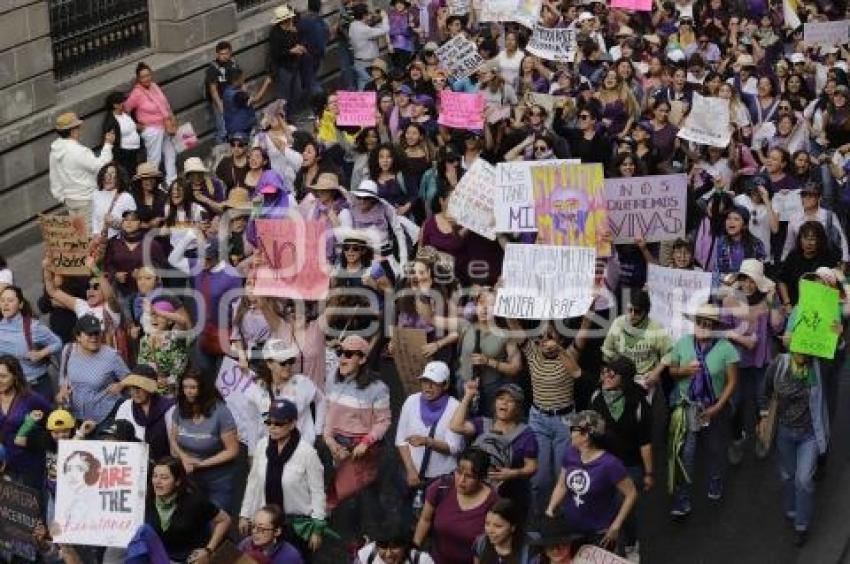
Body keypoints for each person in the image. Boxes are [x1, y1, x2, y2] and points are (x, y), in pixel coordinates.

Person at [667, 303, 739, 518]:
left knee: (714, 449)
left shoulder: (726, 348)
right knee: (686, 453)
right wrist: (683, 370)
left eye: (709, 324)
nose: (703, 327)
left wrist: (717, 407)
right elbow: (671, 371)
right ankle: (683, 499)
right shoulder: (682, 343)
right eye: (700, 322)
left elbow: (732, 382)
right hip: (688, 406)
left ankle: (716, 478)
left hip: (713, 407)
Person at [240, 399, 327, 559]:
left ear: (292, 424)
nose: (272, 427)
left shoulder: (307, 453)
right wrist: (245, 514)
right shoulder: (262, 446)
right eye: (269, 422)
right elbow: (252, 483)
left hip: (295, 526)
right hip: (265, 525)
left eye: (278, 423)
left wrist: (317, 529)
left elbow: (318, 493)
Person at [758, 352, 829, 546]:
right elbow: (765, 392)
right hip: (785, 432)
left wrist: (838, 340)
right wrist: (764, 416)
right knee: (787, 475)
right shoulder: (779, 364)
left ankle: (802, 525)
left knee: (804, 479)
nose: (801, 352)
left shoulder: (817, 367)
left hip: (810, 435)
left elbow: (837, 360)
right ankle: (791, 508)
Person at [323, 335, 391, 539]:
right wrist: (328, 439)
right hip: (333, 445)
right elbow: (327, 413)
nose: (342, 358)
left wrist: (366, 442)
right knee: (331, 492)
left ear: (362, 359)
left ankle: (362, 541)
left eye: (349, 354)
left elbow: (383, 421)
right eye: (340, 352)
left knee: (354, 498)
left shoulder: (378, 388)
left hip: (361, 451)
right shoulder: (332, 379)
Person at [545, 410, 638, 555]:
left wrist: (615, 526)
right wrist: (550, 509)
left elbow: (631, 494)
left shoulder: (610, 464)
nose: (570, 433)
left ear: (586, 436)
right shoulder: (570, 453)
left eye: (572, 429)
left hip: (599, 532)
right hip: (572, 528)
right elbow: (561, 485)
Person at [588, 357, 653, 558]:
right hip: (603, 463)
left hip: (629, 465)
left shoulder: (639, 403)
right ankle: (613, 550)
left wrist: (648, 473)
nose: (606, 377)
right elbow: (591, 431)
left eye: (611, 374)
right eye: (605, 372)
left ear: (624, 378)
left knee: (626, 508)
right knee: (607, 506)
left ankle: (632, 543)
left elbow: (645, 442)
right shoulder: (597, 397)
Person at [450, 381, 538, 515]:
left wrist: (513, 473)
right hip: (477, 491)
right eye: (501, 399)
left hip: (510, 496)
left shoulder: (526, 434)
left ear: (518, 407)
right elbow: (456, 426)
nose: (504, 403)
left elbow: (532, 467)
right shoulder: (482, 424)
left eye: (510, 401)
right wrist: (468, 395)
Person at [395, 361, 464, 525]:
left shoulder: (456, 407)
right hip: (411, 474)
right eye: (425, 381)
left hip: (440, 478)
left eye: (434, 383)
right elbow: (400, 440)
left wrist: (428, 442)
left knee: (437, 522)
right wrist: (411, 471)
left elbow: (454, 448)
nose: (428, 387)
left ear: (445, 385)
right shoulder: (411, 401)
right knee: (407, 520)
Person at [413, 448, 499, 564]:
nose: (461, 480)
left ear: (481, 478)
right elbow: (425, 520)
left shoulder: (493, 502)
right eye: (458, 472)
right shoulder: (441, 488)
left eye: (469, 476)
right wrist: (413, 551)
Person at [170, 370, 240, 511]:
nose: (188, 392)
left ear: (202, 389)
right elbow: (173, 438)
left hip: (218, 478)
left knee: (216, 520)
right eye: (185, 387)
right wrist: (183, 457)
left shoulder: (221, 412)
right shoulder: (180, 409)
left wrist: (201, 464)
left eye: (193, 388)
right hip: (190, 476)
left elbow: (232, 450)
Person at [145, 456, 231, 563]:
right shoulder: (145, 500)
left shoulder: (194, 502)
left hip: (186, 559)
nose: (157, 482)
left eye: (164, 477)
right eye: (155, 476)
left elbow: (224, 520)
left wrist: (208, 550)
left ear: (177, 481)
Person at [56, 315, 131, 434]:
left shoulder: (111, 356)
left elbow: (130, 378)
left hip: (105, 415)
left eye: (97, 333)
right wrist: (62, 391)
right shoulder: (69, 350)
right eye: (89, 334)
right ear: (78, 336)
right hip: (75, 416)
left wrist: (121, 385)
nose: (94, 338)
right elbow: (63, 376)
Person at [49, 112, 115, 228]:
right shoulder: (79, 151)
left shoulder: (55, 150)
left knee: (80, 236)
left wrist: (61, 197)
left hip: (70, 199)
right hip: (86, 199)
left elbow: (54, 177)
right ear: (73, 131)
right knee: (90, 236)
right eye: (78, 128)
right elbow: (101, 167)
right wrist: (108, 145)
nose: (80, 131)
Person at [0, 285, 62, 401]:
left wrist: (41, 353)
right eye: (2, 300)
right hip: (11, 389)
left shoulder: (33, 327)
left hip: (36, 386)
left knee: (42, 419)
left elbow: (57, 343)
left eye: (10, 300)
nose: (5, 304)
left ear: (20, 305)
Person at [0, 355, 52, 490]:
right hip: (3, 467)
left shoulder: (29, 398)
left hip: (29, 467)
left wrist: (37, 439)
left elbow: (53, 419)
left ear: (15, 377)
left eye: (3, 376)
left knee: (30, 508)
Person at [123, 62, 178, 184]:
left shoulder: (154, 86)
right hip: (151, 129)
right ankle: (153, 186)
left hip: (166, 125)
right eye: (143, 77)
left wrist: (172, 119)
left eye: (148, 75)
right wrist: (136, 126)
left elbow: (165, 104)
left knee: (171, 154)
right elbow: (125, 110)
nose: (147, 78)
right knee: (154, 159)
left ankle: (172, 182)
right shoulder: (136, 93)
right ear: (138, 79)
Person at [262, 339, 325, 444]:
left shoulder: (302, 382)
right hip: (276, 452)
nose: (288, 366)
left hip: (303, 449)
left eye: (290, 361)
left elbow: (321, 400)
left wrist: (318, 431)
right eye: (282, 362)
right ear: (269, 364)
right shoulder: (261, 389)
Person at [114, 365, 176, 461]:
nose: (135, 392)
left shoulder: (168, 408)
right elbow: (118, 439)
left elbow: (174, 446)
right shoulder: (125, 407)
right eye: (132, 388)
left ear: (149, 389)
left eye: (139, 388)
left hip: (161, 465)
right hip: (132, 462)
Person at [473, 499, 535, 564]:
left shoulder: (529, 551)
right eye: (487, 524)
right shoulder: (481, 543)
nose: (490, 530)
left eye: (498, 526)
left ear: (513, 527)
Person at [238, 504, 305, 564]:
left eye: (261, 528)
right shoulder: (245, 545)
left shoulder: (290, 556)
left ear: (277, 531)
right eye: (253, 526)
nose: (254, 531)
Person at [268, 5, 306, 109]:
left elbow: (296, 41)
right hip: (283, 68)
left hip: (294, 65)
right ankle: (284, 118)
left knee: (297, 91)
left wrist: (298, 46)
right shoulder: (275, 34)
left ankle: (291, 114)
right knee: (283, 96)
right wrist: (291, 51)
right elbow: (276, 53)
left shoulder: (291, 30)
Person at [205, 41, 240, 145]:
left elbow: (240, 80)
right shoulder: (213, 68)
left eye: (226, 53)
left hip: (233, 98)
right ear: (217, 54)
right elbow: (213, 90)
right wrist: (221, 107)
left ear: (230, 53)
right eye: (222, 54)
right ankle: (220, 152)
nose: (224, 56)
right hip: (220, 100)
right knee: (223, 130)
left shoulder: (233, 64)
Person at [349, 5, 389, 90]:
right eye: (369, 14)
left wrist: (377, 20)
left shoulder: (353, 25)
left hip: (360, 62)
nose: (371, 16)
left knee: (363, 86)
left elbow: (372, 30)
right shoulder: (363, 29)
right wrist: (384, 17)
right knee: (367, 88)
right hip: (366, 64)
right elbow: (385, 30)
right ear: (364, 16)